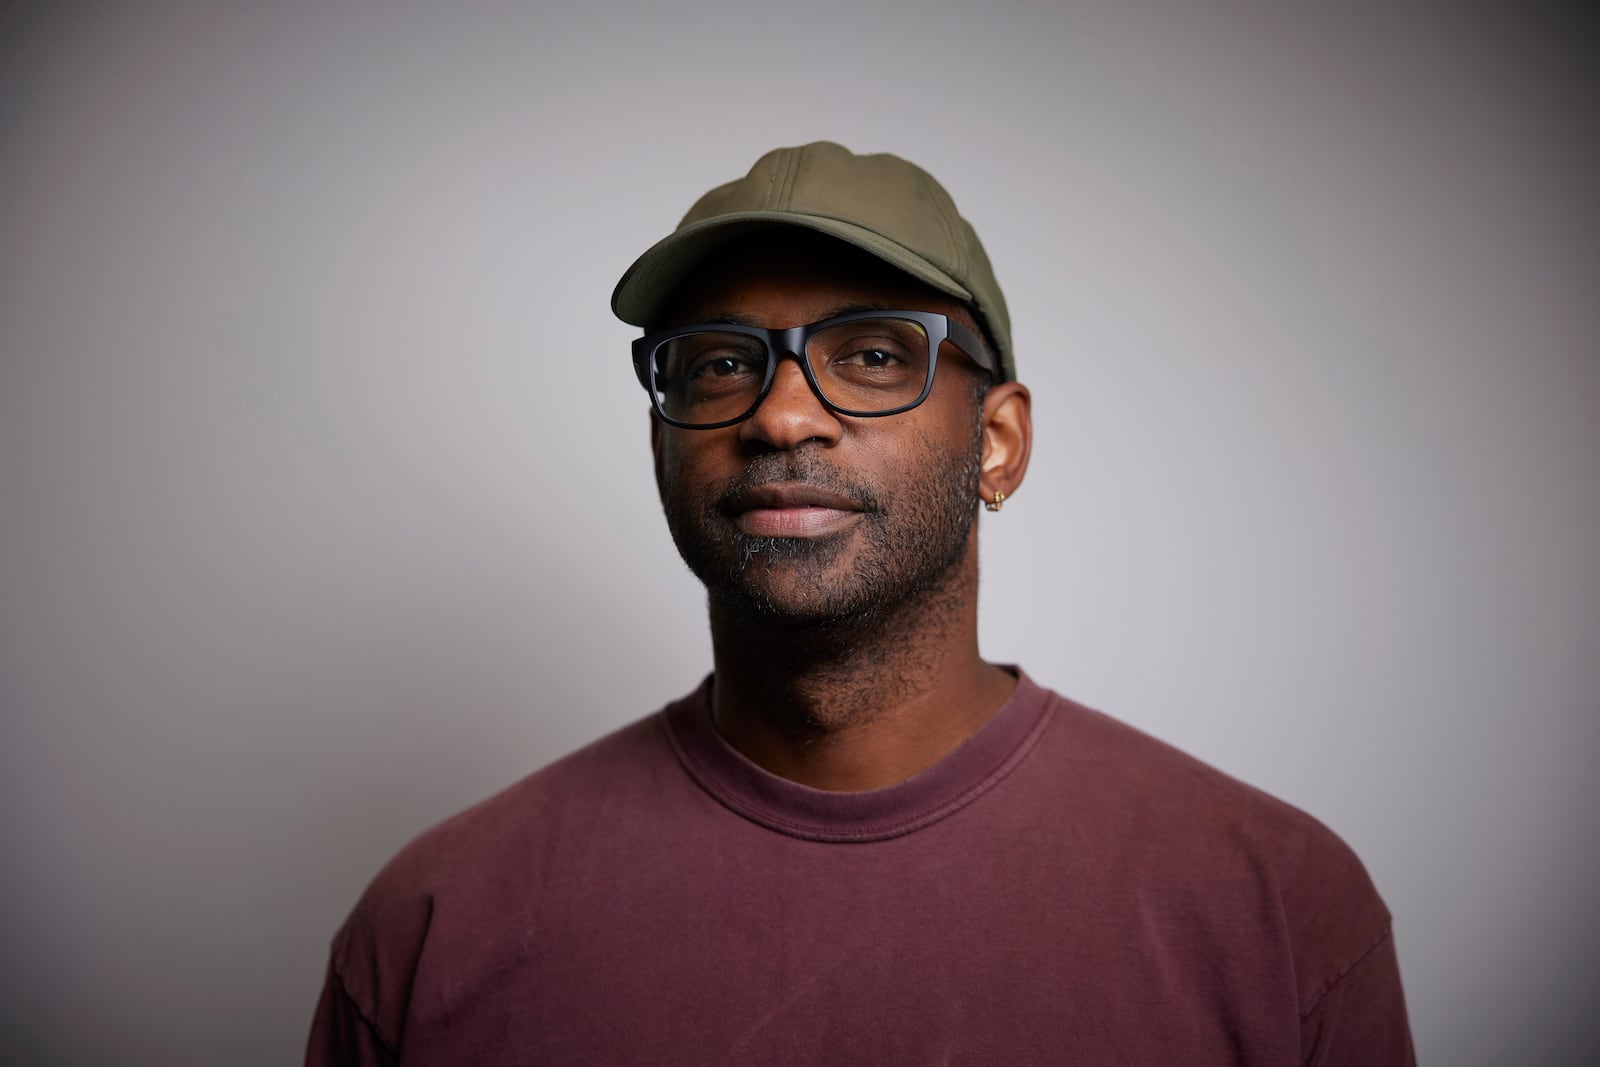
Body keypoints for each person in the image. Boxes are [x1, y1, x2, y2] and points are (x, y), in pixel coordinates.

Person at [306, 142, 1414, 1065]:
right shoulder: (431, 927)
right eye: (719, 365)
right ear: (659, 437)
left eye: (874, 353)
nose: (782, 415)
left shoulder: (1273, 908)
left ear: (997, 440)